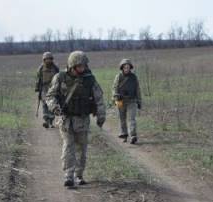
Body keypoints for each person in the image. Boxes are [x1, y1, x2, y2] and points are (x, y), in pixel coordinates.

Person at [46, 51, 106, 187]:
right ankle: (68, 175)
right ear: (72, 66)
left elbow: (99, 99)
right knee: (68, 146)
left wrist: (101, 115)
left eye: (84, 65)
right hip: (65, 119)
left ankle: (79, 175)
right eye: (79, 66)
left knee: (82, 148)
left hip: (82, 119)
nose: (82, 68)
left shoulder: (90, 79)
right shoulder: (60, 77)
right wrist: (54, 107)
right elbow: (50, 96)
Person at [112, 59, 142, 144]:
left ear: (130, 68)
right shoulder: (118, 76)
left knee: (131, 119)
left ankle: (133, 136)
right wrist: (115, 96)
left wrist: (139, 101)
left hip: (131, 100)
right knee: (122, 118)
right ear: (122, 68)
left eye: (128, 67)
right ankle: (124, 134)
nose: (126, 69)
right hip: (120, 100)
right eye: (125, 67)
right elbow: (114, 88)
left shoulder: (134, 77)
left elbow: (137, 90)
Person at [35, 51, 59, 128]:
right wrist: (37, 88)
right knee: (45, 104)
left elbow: (59, 78)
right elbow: (38, 79)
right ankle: (46, 120)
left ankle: (51, 121)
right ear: (44, 60)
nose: (48, 61)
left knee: (52, 104)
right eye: (47, 59)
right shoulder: (41, 68)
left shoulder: (55, 68)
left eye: (50, 59)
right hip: (44, 88)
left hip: (53, 88)